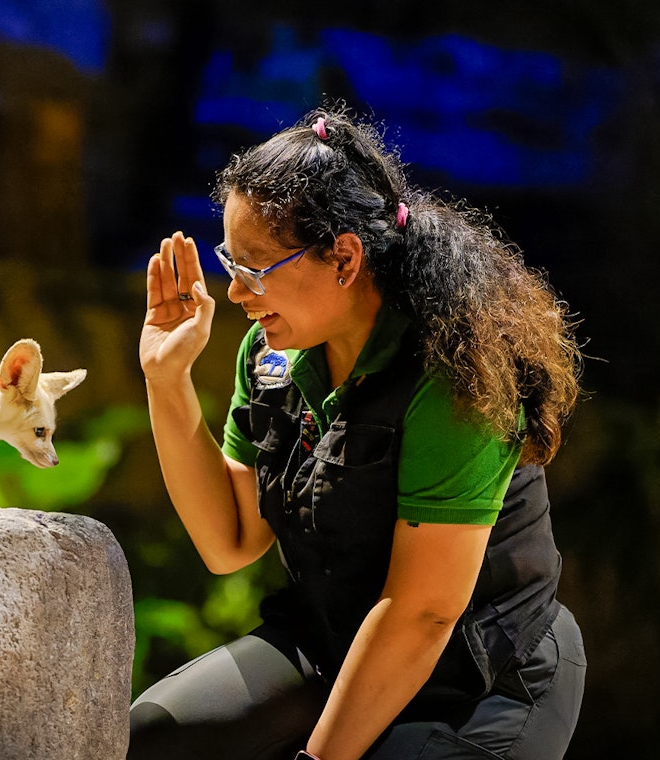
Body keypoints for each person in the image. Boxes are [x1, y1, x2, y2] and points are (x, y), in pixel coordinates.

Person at [132, 106, 587, 760]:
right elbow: (230, 539)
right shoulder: (272, 357)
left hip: (479, 675)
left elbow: (422, 612)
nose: (234, 293)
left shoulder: (451, 375)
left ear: (343, 256)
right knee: (150, 740)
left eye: (254, 269)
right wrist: (165, 381)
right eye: (230, 262)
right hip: (331, 642)